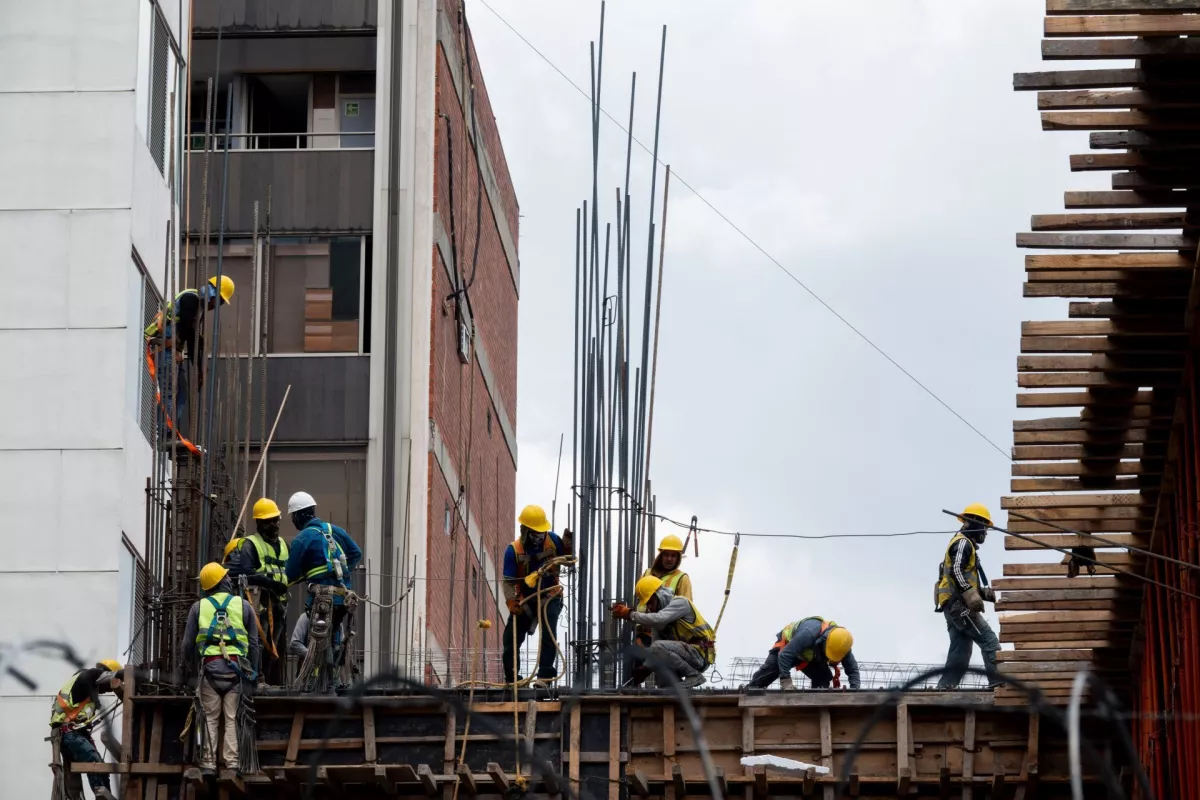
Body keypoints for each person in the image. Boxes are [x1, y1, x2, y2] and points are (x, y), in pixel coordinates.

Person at [182, 562, 261, 777]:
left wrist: (186, 670)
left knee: (209, 717)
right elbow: (254, 644)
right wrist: (254, 673)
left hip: (209, 671)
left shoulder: (198, 607)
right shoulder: (244, 606)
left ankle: (208, 764)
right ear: (223, 581)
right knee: (233, 718)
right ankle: (232, 764)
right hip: (236, 672)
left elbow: (187, 645)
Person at [283, 491, 362, 688]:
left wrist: (307, 576)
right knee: (334, 632)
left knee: (318, 635)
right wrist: (340, 574)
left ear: (298, 516)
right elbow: (356, 553)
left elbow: (290, 574)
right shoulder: (335, 531)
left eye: (293, 517)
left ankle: (324, 681)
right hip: (343, 599)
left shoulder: (303, 539)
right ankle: (332, 680)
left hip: (321, 600)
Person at [143, 275, 235, 438]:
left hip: (172, 350)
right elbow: (188, 331)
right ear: (213, 295)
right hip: (163, 348)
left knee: (182, 393)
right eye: (219, 301)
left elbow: (191, 338)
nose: (217, 306)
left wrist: (198, 367)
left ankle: (168, 427)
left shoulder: (197, 307)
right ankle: (163, 429)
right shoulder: (190, 300)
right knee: (169, 391)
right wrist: (196, 364)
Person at [501, 504, 573, 686]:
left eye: (541, 533)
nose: (539, 537)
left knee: (549, 632)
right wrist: (510, 601)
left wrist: (568, 547)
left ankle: (545, 676)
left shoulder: (553, 541)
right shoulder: (513, 551)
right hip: (526, 598)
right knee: (511, 636)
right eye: (535, 533)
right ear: (524, 531)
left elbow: (570, 562)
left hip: (550, 594)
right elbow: (509, 581)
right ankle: (512, 679)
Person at [934, 503, 1002, 689]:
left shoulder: (963, 543)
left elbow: (959, 575)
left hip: (952, 605)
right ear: (976, 523)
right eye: (985, 527)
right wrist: (970, 594)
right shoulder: (963, 543)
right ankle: (997, 685)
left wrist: (980, 592)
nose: (986, 533)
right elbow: (956, 571)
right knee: (989, 642)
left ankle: (945, 688)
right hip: (960, 606)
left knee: (961, 651)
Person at [612, 575, 716, 689]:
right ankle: (672, 687)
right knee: (661, 673)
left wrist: (629, 614)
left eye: (651, 602)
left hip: (699, 654)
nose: (649, 607)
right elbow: (656, 651)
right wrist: (645, 668)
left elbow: (659, 618)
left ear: (660, 595)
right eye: (647, 604)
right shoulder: (659, 622)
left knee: (657, 646)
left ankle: (694, 676)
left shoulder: (681, 603)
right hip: (686, 655)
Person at [228, 498, 291, 685]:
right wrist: (270, 583)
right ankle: (257, 679)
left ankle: (267, 680)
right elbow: (247, 573)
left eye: (275, 520)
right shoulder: (250, 544)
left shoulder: (284, 545)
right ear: (259, 523)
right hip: (260, 602)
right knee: (259, 640)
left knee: (274, 645)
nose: (273, 524)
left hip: (279, 602)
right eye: (268, 521)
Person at [49, 659, 123, 800]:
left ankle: (105, 794)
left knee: (100, 766)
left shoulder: (82, 687)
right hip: (68, 734)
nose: (106, 690)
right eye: (107, 687)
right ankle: (102, 794)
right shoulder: (90, 675)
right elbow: (99, 675)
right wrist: (125, 674)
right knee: (93, 761)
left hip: (72, 734)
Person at [745, 618, 860, 690]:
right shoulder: (808, 633)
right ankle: (750, 692)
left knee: (824, 677)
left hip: (808, 656)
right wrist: (786, 682)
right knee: (765, 677)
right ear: (824, 642)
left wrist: (855, 690)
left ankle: (816, 705)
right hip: (787, 648)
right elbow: (784, 656)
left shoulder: (842, 644)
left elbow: (852, 669)